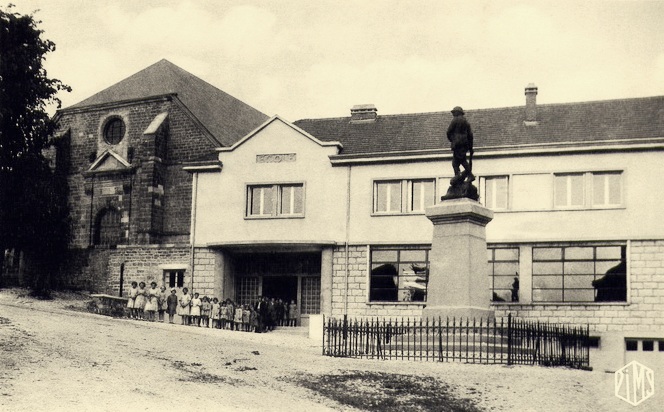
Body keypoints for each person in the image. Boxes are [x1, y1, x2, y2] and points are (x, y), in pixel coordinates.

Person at [446, 106, 474, 183]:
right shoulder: (466, 122)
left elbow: (448, 132)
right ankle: (459, 176)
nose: (453, 114)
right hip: (465, 145)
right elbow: (470, 136)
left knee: (459, 161)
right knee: (458, 161)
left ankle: (467, 175)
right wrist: (470, 148)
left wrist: (452, 140)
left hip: (457, 144)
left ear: (457, 113)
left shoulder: (455, 120)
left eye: (454, 113)